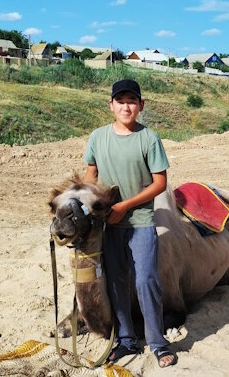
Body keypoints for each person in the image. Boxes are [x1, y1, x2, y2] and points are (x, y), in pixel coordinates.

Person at [81, 79, 177, 368]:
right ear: (111, 105)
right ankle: (127, 340)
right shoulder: (98, 137)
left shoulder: (149, 138)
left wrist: (125, 206)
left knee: (146, 280)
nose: (126, 106)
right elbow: (90, 175)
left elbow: (160, 183)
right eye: (120, 101)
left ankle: (158, 343)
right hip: (109, 226)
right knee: (116, 282)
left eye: (131, 101)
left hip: (141, 221)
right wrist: (89, 201)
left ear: (141, 106)